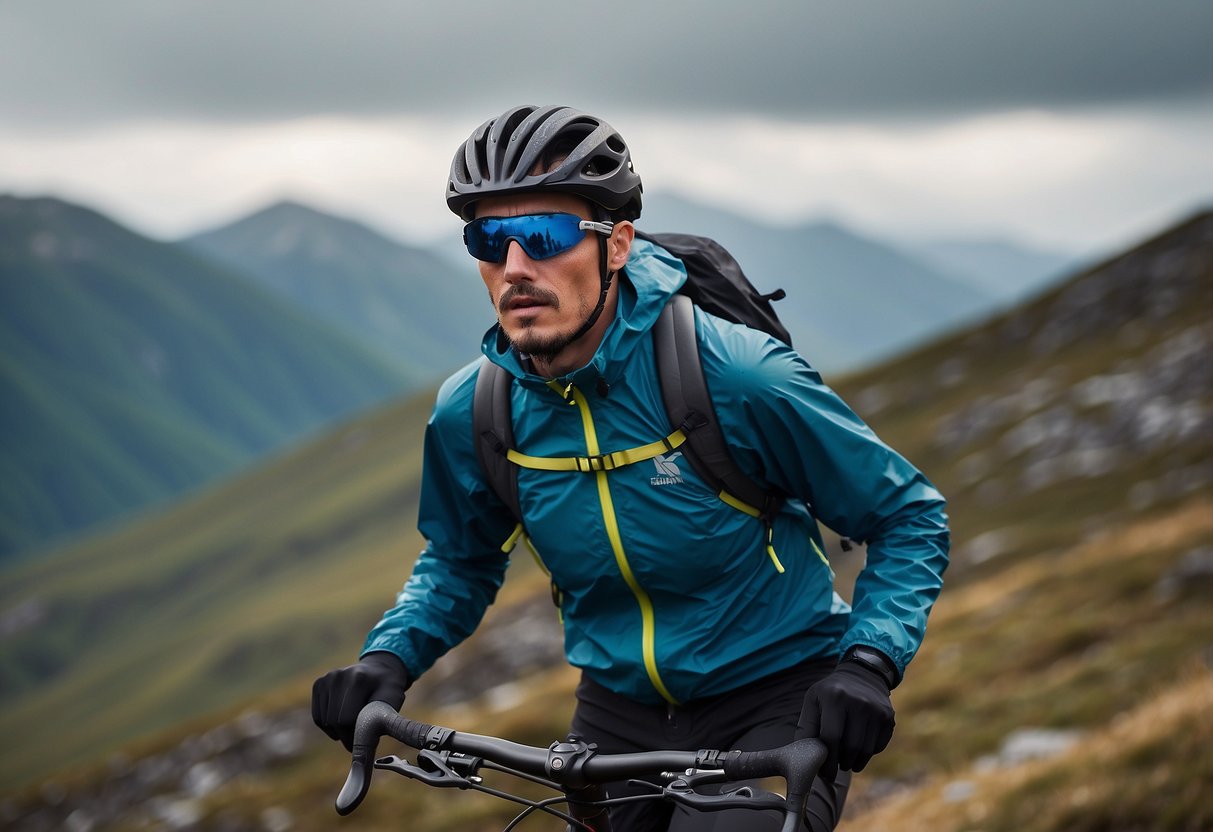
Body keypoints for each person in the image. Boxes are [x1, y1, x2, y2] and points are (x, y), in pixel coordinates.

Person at [312, 104, 950, 831]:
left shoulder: (734, 378)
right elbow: (461, 559)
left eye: (544, 235)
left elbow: (906, 515)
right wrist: (387, 660)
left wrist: (867, 666)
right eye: (488, 239)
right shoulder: (475, 410)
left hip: (773, 699)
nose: (515, 267)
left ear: (616, 246)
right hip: (613, 717)